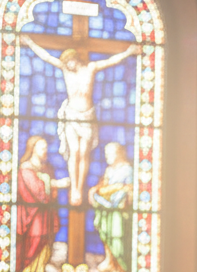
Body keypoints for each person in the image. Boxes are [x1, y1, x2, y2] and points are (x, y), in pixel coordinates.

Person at [20, 35, 141, 206]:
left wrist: (129, 52)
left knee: (84, 152)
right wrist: (30, 43)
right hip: (71, 115)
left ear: (75, 59)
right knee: (74, 151)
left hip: (87, 116)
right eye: (66, 63)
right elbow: (46, 57)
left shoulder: (90, 68)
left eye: (70, 61)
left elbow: (111, 61)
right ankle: (74, 190)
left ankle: (79, 186)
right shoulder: (66, 72)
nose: (69, 65)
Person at [15, 136, 69, 272]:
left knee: (46, 237)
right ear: (33, 149)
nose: (46, 151)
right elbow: (35, 190)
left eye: (46, 147)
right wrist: (56, 184)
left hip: (46, 213)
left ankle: (40, 267)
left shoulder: (45, 168)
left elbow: (48, 193)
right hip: (33, 214)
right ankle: (28, 270)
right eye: (42, 148)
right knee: (36, 237)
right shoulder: (26, 169)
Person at [89, 141, 133, 272]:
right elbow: (103, 186)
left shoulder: (127, 169)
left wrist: (122, 194)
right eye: (106, 153)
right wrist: (95, 191)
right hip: (106, 211)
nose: (107, 156)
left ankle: (121, 266)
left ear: (119, 154)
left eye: (110, 153)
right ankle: (110, 260)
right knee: (106, 234)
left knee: (117, 237)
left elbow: (130, 189)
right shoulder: (109, 170)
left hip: (119, 212)